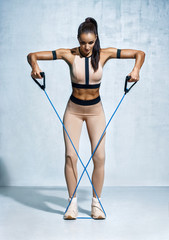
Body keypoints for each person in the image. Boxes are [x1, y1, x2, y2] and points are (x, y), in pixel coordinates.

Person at [27, 17, 145, 220]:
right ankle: (72, 203)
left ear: (96, 39)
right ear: (78, 40)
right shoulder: (69, 53)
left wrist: (136, 69)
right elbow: (32, 55)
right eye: (83, 42)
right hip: (73, 111)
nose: (86, 47)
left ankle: (96, 204)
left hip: (95, 112)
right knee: (70, 156)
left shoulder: (105, 53)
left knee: (99, 157)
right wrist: (35, 66)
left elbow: (139, 54)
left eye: (90, 42)